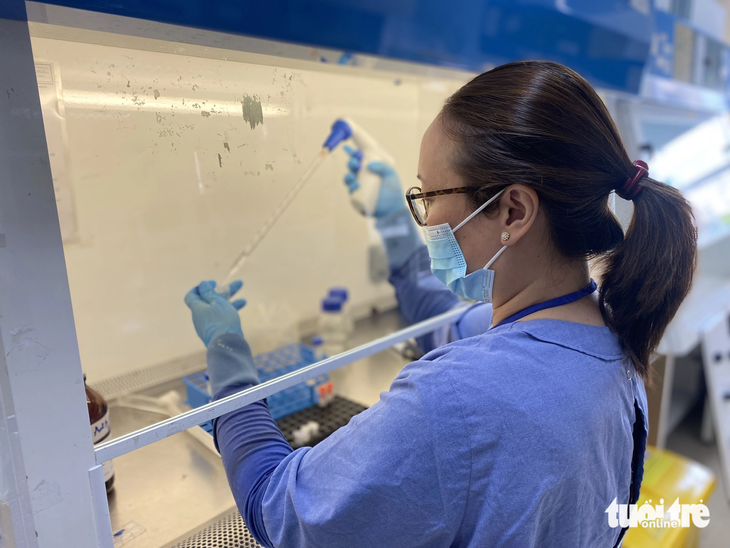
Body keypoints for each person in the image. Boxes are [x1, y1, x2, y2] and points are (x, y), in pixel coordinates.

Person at [184, 61, 697, 547]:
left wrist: (229, 365)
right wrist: (390, 223)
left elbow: (278, 509)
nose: (426, 220)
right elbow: (444, 322)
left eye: (429, 196)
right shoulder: (607, 333)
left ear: (513, 211)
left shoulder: (453, 398)